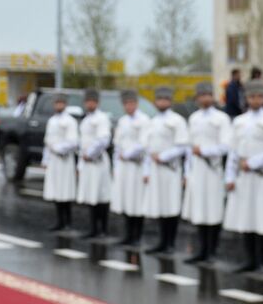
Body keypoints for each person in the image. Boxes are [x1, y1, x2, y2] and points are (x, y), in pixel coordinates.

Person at [224, 78, 263, 274]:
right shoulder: (240, 122)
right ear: (246, 98)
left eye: (259, 96)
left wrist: (253, 162)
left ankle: (262, 261)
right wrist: (230, 177)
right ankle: (250, 259)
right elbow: (233, 151)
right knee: (246, 217)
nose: (256, 100)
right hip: (243, 176)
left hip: (262, 175)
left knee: (262, 217)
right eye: (252, 96)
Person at [183, 81, 233, 263]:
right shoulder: (194, 118)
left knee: (213, 209)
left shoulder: (221, 119)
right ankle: (202, 249)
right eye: (201, 95)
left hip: (212, 170)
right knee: (199, 210)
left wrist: (204, 151)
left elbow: (226, 146)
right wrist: (187, 173)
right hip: (197, 170)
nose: (205, 98)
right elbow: (189, 148)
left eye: (208, 95)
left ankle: (212, 250)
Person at [140, 86, 189, 254]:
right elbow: (146, 147)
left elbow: (182, 146)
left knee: (171, 204)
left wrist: (164, 156)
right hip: (155, 169)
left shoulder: (177, 121)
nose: (162, 102)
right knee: (160, 204)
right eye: (159, 99)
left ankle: (171, 242)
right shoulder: (152, 122)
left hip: (170, 168)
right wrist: (146, 170)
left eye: (165, 99)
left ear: (170, 101)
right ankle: (161, 241)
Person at [111, 89, 151, 246]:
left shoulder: (144, 120)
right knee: (126, 200)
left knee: (137, 201)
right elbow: (117, 145)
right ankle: (128, 234)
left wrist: (126, 154)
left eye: (131, 103)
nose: (129, 106)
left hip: (137, 166)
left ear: (136, 103)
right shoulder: (123, 121)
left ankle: (137, 235)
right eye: (126, 104)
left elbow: (143, 144)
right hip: (124, 167)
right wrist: (116, 164)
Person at [76, 88, 113, 238]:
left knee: (101, 196)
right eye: (87, 101)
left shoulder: (102, 118)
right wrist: (80, 163)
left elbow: (103, 140)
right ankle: (93, 228)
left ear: (97, 103)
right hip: (87, 162)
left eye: (92, 101)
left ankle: (103, 228)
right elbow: (81, 143)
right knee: (91, 196)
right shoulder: (85, 120)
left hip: (97, 162)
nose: (89, 104)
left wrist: (90, 154)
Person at [42, 91, 80, 232]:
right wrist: (45, 160)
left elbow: (73, 142)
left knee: (66, 191)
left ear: (65, 104)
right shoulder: (52, 121)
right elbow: (47, 141)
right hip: (53, 161)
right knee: (56, 191)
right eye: (56, 103)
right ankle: (59, 221)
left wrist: (58, 148)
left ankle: (68, 222)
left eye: (61, 103)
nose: (59, 105)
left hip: (64, 159)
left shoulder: (70, 121)